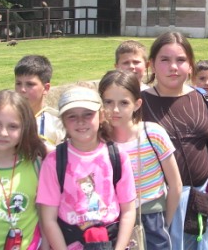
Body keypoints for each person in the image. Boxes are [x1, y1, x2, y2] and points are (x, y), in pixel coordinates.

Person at [141, 32, 208, 250]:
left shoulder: (205, 100)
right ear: (152, 64)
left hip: (199, 199)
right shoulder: (139, 104)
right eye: (165, 60)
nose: (173, 67)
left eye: (180, 60)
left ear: (190, 66)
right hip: (157, 206)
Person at [37, 86, 137, 249]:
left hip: (111, 242)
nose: (80, 121)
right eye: (72, 116)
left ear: (102, 115)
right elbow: (48, 218)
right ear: (63, 121)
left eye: (88, 114)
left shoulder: (117, 156)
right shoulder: (54, 161)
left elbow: (128, 210)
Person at [98, 70, 182, 248]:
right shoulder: (100, 141)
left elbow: (175, 185)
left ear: (137, 104)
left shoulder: (153, 134)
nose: (115, 110)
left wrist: (164, 223)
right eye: (108, 102)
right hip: (113, 220)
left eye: (123, 103)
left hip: (152, 217)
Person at [0, 90, 48, 249]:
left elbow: (42, 212)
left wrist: (45, 245)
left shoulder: (36, 165)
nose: (3, 133)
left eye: (13, 126)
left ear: (25, 128)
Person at [14, 55, 65, 146]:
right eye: (18, 83)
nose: (22, 89)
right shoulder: (3, 119)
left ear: (45, 88)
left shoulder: (57, 125)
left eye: (30, 84)